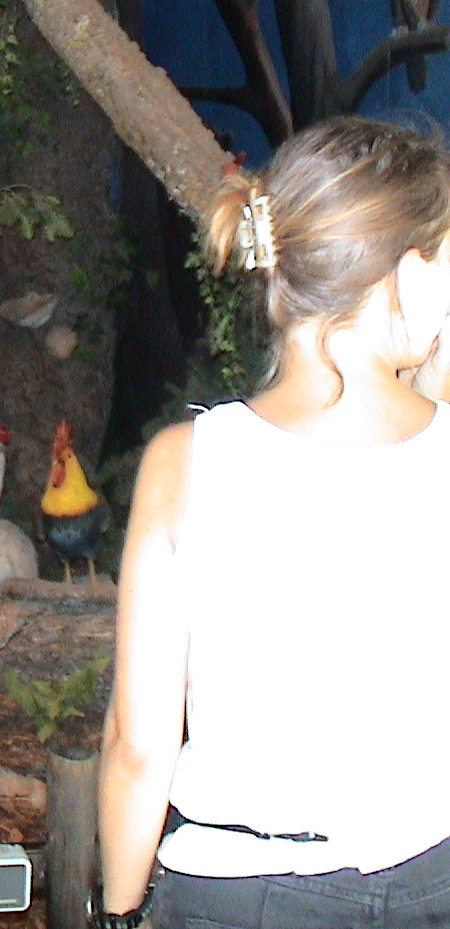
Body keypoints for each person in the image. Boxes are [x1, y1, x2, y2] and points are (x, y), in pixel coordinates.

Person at [95, 116, 450, 929]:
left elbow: (138, 747)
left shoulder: (187, 463)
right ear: (409, 273)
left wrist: (117, 912)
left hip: (242, 892)